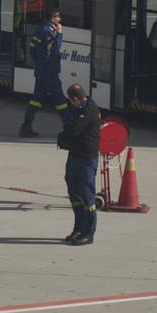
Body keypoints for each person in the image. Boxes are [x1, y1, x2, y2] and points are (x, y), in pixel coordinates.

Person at [60, 84, 101, 246]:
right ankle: (79, 228)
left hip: (86, 158)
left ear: (75, 99)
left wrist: (69, 125)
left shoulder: (89, 109)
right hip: (75, 155)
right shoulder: (77, 110)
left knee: (87, 195)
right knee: (74, 191)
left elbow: (74, 129)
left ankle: (88, 232)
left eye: (71, 101)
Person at [20, 9, 69, 138]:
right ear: (51, 18)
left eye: (59, 16)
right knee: (60, 100)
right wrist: (59, 34)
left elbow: (32, 48)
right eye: (56, 16)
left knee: (36, 100)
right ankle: (70, 127)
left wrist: (39, 63)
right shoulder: (48, 32)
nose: (59, 19)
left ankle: (26, 125)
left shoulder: (39, 30)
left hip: (41, 71)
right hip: (50, 73)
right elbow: (54, 49)